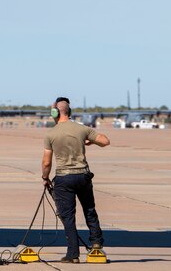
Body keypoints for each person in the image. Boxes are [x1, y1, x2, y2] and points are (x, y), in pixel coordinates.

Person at [42, 96, 110, 263]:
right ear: (69, 111)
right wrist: (91, 142)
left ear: (55, 113)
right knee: (89, 210)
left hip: (64, 178)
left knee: (68, 216)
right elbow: (105, 141)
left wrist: (45, 177)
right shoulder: (82, 129)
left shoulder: (50, 134)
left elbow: (46, 162)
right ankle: (96, 244)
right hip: (83, 176)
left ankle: (73, 254)